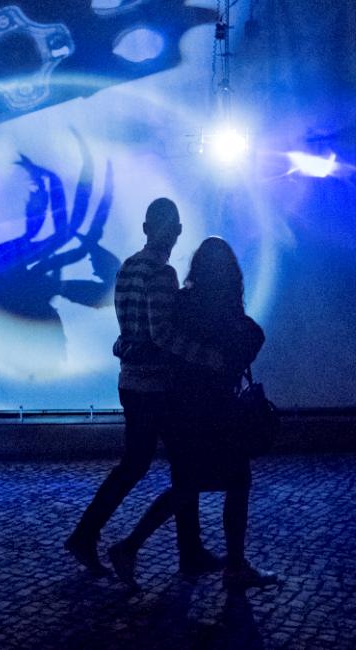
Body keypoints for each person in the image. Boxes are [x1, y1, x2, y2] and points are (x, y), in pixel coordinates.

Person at [106, 236, 279, 590]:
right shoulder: (227, 313)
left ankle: (133, 547)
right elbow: (244, 345)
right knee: (236, 481)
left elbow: (163, 340)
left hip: (180, 407)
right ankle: (233, 567)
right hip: (216, 411)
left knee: (187, 485)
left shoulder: (182, 303)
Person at [65, 198, 225, 576]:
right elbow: (161, 334)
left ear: (145, 228)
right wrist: (208, 357)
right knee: (184, 467)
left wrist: (126, 347)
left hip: (131, 383)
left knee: (136, 465)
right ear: (177, 231)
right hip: (157, 388)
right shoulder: (162, 274)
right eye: (174, 228)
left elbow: (130, 331)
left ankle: (87, 535)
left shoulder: (127, 268)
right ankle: (182, 551)